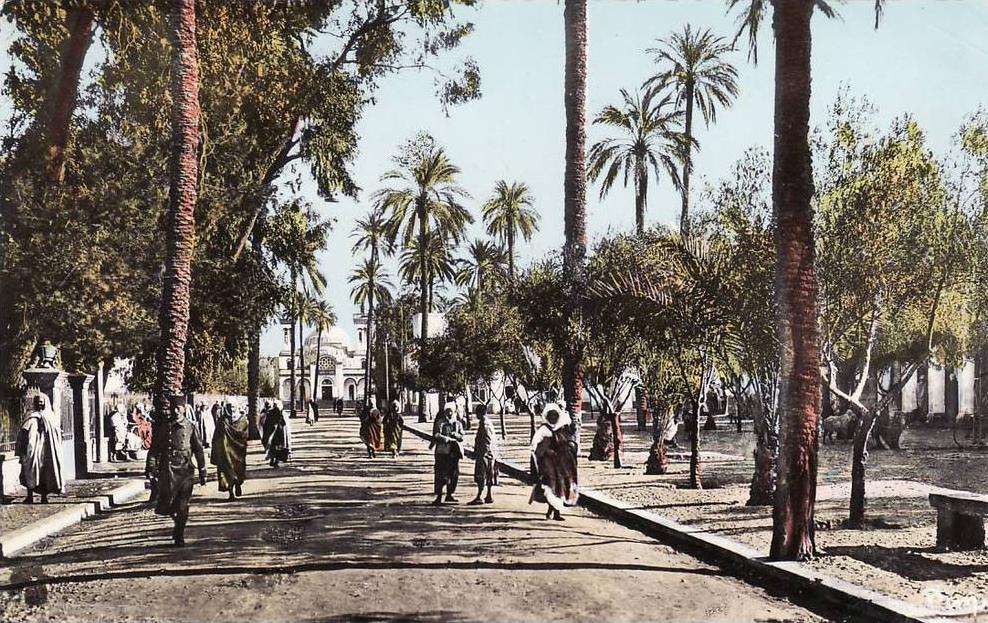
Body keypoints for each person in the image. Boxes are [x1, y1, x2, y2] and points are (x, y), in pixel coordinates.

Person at [145, 397, 207, 546]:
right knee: (168, 506)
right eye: (173, 408)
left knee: (182, 506)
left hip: (186, 471)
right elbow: (154, 450)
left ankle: (179, 533)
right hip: (168, 471)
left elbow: (198, 449)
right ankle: (177, 524)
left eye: (179, 408)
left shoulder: (191, 427)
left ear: (184, 408)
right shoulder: (164, 427)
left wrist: (202, 469)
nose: (175, 411)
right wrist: (151, 469)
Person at [529, 403, 579, 521]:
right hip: (548, 465)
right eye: (550, 416)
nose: (553, 418)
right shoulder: (543, 430)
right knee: (551, 488)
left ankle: (554, 512)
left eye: (555, 416)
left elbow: (568, 443)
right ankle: (554, 512)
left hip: (561, 465)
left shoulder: (561, 428)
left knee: (559, 488)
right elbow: (535, 446)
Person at [15, 395, 64, 504]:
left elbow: (56, 433)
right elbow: (24, 431)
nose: (39, 404)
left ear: (45, 402)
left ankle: (44, 497)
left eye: (41, 402)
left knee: (45, 473)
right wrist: (22, 448)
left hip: (46, 449)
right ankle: (30, 496)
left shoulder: (50, 416)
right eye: (37, 402)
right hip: (32, 448)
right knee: (29, 470)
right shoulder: (31, 415)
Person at [211, 403, 249, 501]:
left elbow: (245, 435)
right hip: (225, 451)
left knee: (238, 470)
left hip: (238, 451)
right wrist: (216, 450)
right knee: (225, 471)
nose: (231, 409)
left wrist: (241, 442)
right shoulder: (222, 421)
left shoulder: (243, 420)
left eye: (233, 407)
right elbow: (216, 436)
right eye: (230, 407)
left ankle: (237, 484)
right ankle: (230, 492)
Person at [429, 403, 464, 505]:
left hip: (454, 453)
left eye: (451, 411)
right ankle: (439, 496)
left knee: (454, 474)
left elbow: (462, 436)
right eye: (447, 411)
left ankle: (449, 494)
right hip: (442, 452)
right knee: (441, 475)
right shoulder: (441, 423)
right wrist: (446, 439)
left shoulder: (457, 424)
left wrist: (456, 435)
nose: (449, 413)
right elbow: (436, 434)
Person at [468, 403, 498, 505]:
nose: (476, 414)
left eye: (477, 412)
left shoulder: (485, 424)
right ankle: (488, 495)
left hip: (485, 454)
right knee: (489, 475)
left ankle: (479, 496)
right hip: (490, 453)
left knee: (481, 475)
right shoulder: (486, 422)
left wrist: (481, 454)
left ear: (481, 413)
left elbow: (487, 440)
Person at [263, 401, 291, 467]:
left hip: (275, 434)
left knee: (274, 447)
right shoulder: (281, 413)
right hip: (278, 434)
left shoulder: (272, 413)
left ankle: (274, 460)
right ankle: (275, 460)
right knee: (276, 448)